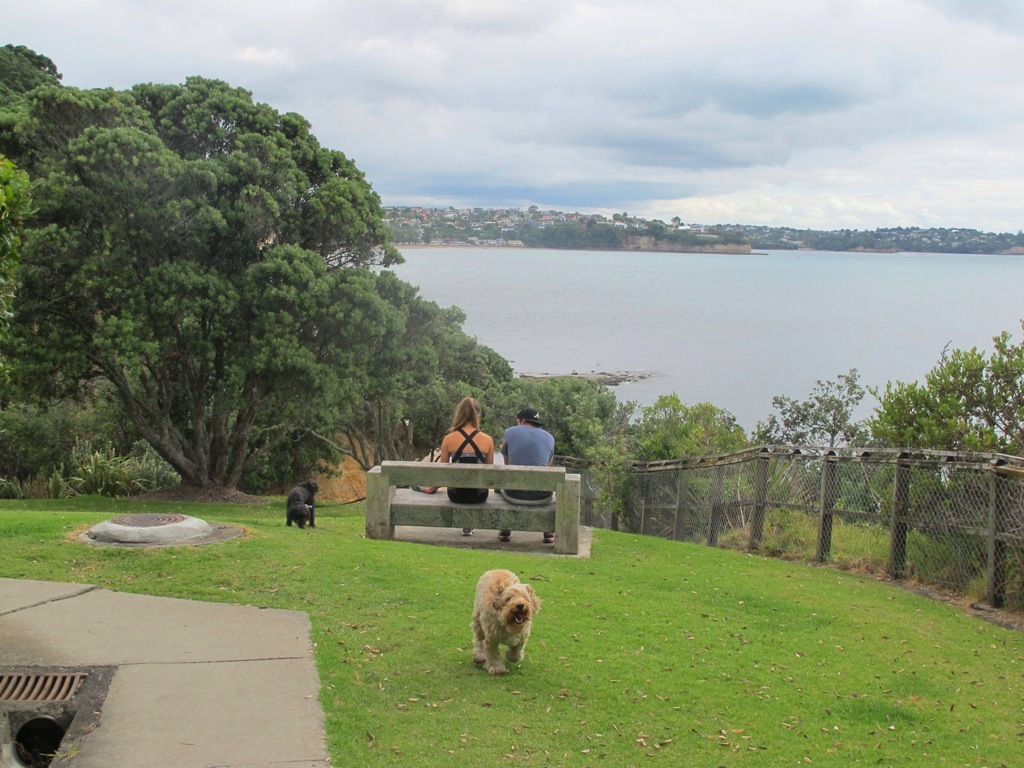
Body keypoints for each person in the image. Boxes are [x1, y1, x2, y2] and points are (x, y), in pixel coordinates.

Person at [498, 406, 556, 544]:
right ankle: (548, 533)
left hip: (513, 494)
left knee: (500, 487)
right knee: (552, 492)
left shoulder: (509, 432)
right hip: (541, 496)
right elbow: (548, 468)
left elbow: (508, 465)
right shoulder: (550, 438)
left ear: (522, 421)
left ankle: (505, 530)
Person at [439, 396, 495, 535]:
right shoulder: (487, 440)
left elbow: (442, 470)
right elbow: (490, 472)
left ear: (459, 415)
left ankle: (466, 524)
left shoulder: (448, 439)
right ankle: (469, 524)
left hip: (455, 495)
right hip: (479, 496)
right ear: (478, 415)